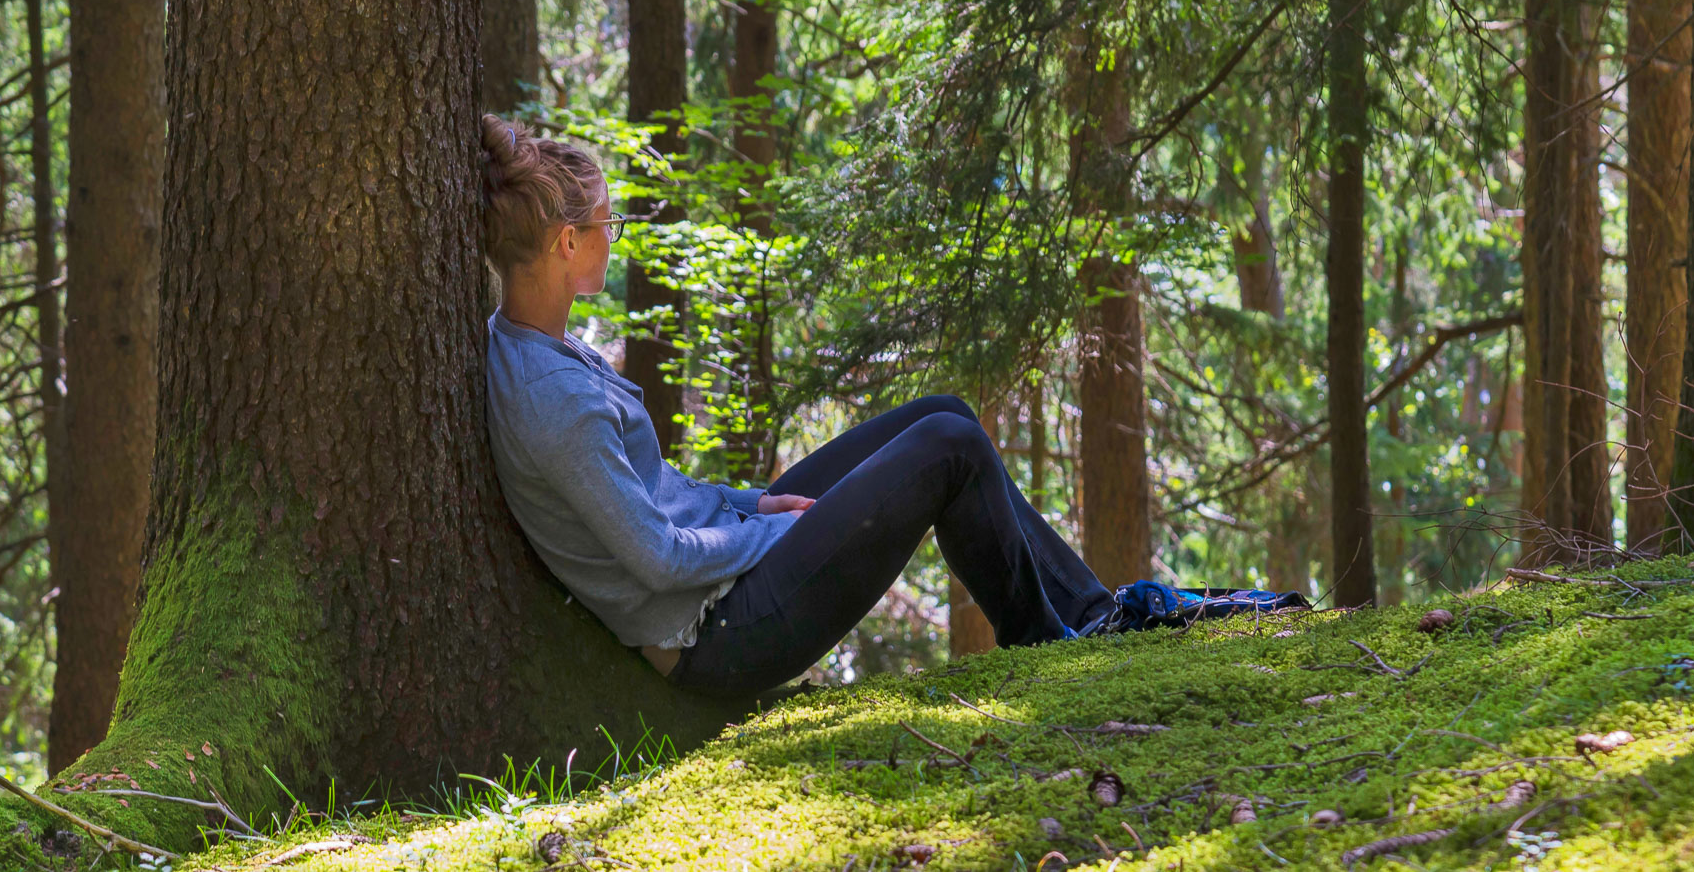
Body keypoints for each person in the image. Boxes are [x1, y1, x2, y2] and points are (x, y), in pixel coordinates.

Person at [479, 115, 1295, 697]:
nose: (615, 233)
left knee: (943, 412)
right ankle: (1056, 646)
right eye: (606, 220)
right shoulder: (553, 402)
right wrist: (776, 529)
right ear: (567, 245)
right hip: (718, 632)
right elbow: (656, 555)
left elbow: (658, 496)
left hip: (727, 567)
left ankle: (1092, 613)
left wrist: (755, 502)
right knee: (948, 443)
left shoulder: (541, 347)